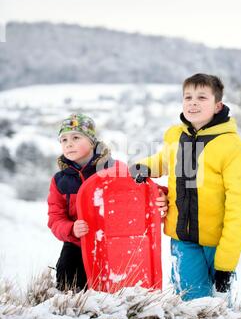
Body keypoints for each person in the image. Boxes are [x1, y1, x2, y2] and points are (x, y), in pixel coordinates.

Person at [129, 73, 241, 300]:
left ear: (218, 106)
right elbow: (164, 161)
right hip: (182, 240)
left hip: (217, 244)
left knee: (217, 309)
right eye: (188, 97)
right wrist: (143, 167)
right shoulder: (177, 137)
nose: (193, 102)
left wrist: (225, 262)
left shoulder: (231, 148)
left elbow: (240, 208)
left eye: (202, 97)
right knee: (189, 302)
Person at [48, 113, 168, 291]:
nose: (69, 143)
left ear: (91, 141)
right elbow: (55, 218)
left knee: (114, 291)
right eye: (63, 140)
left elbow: (142, 190)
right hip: (76, 244)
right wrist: (70, 228)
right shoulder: (60, 181)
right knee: (68, 286)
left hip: (112, 244)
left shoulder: (115, 169)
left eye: (75, 137)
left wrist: (161, 196)